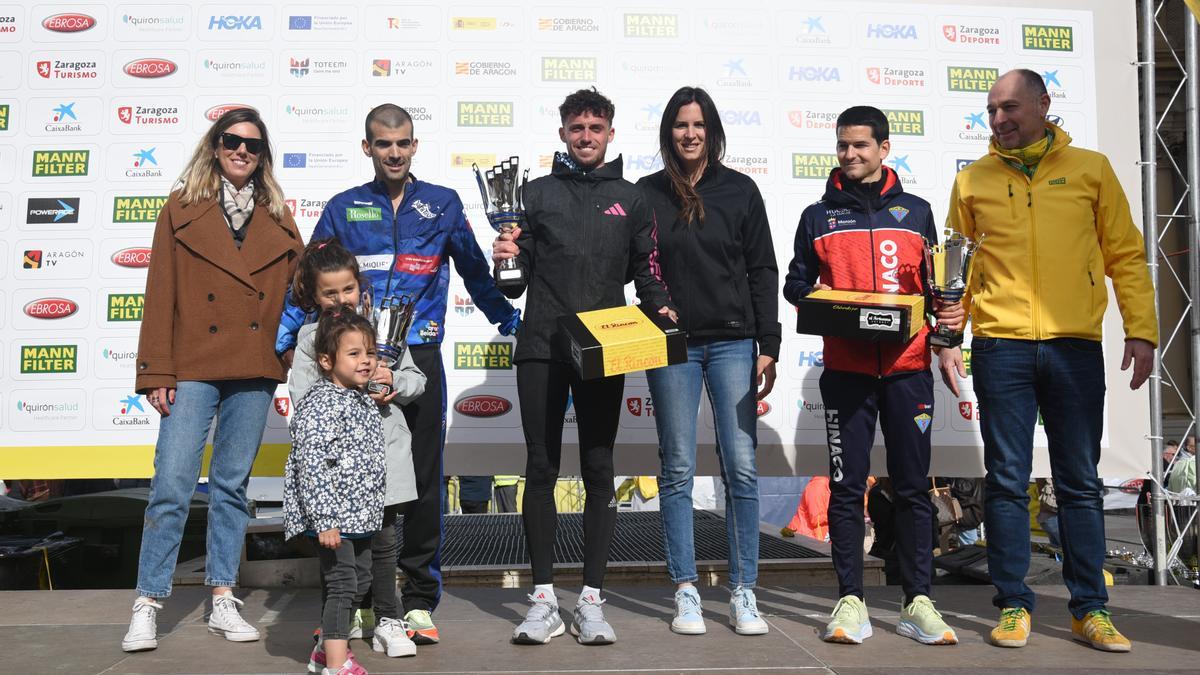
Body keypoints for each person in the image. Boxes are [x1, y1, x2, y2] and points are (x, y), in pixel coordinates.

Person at [276, 104, 521, 645]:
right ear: (368, 147)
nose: (393, 152)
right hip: (350, 365)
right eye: (383, 143)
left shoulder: (443, 203)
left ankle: (415, 601)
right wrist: (283, 339)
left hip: (416, 358)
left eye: (403, 143)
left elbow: (478, 274)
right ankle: (353, 600)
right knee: (347, 483)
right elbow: (308, 279)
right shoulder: (343, 207)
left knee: (423, 483)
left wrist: (509, 319)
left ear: (414, 146)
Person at [940, 69, 1157, 652]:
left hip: (1073, 345)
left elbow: (1127, 256)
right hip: (1000, 346)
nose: (999, 120)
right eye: (991, 111)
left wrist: (1142, 329)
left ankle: (1091, 609)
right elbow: (953, 266)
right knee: (1008, 482)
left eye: (1010, 107)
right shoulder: (973, 180)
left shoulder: (1091, 169)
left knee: (1080, 484)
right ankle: (1013, 605)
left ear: (1043, 104)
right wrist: (947, 334)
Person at [491, 87, 674, 646]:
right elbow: (517, 279)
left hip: (604, 345)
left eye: (596, 128)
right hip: (542, 341)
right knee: (540, 467)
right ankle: (543, 598)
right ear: (563, 132)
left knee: (599, 467)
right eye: (577, 128)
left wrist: (661, 305)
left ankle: (592, 600)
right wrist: (506, 259)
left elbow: (646, 271)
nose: (586, 137)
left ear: (611, 134)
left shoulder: (632, 197)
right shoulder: (535, 192)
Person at [121, 107, 304, 652]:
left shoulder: (279, 217)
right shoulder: (181, 209)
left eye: (253, 144)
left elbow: (294, 295)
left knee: (231, 487)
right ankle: (148, 601)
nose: (241, 151)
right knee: (172, 486)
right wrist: (157, 369)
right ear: (214, 145)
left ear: (263, 154)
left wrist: (289, 348)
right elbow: (160, 294)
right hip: (193, 362)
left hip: (252, 363)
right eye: (232, 140)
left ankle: (223, 595)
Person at [783, 105, 962, 646]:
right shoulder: (818, 217)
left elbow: (939, 292)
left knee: (911, 489)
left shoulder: (919, 212)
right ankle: (850, 601)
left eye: (860, 145)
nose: (850, 154)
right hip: (845, 372)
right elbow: (795, 284)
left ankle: (918, 601)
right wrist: (817, 300)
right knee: (844, 488)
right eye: (842, 145)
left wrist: (950, 333)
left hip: (908, 371)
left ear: (884, 148)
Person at [635, 86, 779, 637]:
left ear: (712, 130)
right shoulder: (647, 193)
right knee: (676, 467)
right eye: (679, 125)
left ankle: (744, 590)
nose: (689, 134)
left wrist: (768, 341)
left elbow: (763, 270)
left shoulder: (741, 190)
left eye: (698, 125)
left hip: (734, 341)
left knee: (740, 465)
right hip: (671, 343)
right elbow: (637, 266)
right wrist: (654, 302)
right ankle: (687, 590)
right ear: (668, 132)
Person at [288, 238, 425, 663]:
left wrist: (391, 383)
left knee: (384, 547)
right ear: (314, 296)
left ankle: (388, 617)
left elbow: (416, 381)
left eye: (346, 289)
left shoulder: (384, 329)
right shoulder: (311, 337)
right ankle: (337, 629)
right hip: (340, 476)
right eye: (329, 292)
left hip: (385, 463)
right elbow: (303, 396)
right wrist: (349, 388)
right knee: (341, 558)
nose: (340, 299)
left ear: (360, 287)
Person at [285, 307, 387, 675]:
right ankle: (337, 663)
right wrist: (326, 520)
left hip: (358, 516)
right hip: (331, 519)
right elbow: (312, 467)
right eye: (355, 353)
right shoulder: (321, 403)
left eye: (370, 353)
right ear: (327, 361)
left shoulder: (360, 398)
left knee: (358, 579)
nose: (366, 361)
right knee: (343, 582)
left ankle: (323, 651)